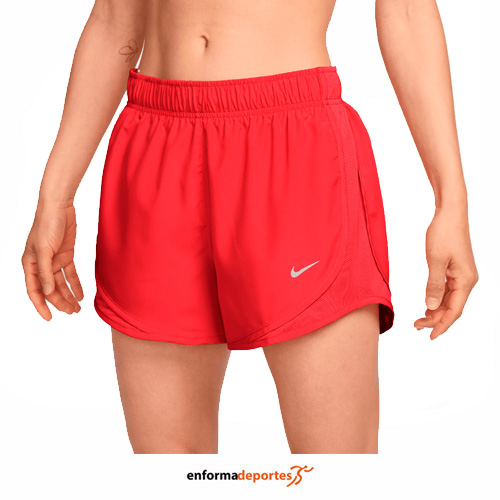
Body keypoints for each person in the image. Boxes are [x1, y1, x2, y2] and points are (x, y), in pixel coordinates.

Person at [21, 0, 478, 454]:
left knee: (336, 465)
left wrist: (450, 202)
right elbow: (113, 17)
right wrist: (56, 194)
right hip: (156, 144)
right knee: (169, 470)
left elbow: (407, 12)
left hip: (292, 143)